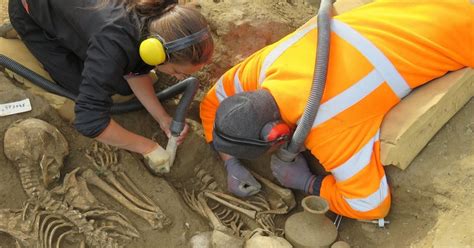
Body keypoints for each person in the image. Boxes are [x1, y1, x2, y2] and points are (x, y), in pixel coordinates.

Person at [200, 1, 473, 219]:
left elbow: (371, 206)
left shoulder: (330, 128)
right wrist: (230, 162)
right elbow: (213, 101)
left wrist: (309, 184)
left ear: (278, 135)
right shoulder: (268, 63)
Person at [8, 0, 214, 172]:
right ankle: (21, 31)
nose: (178, 78)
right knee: (80, 87)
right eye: (178, 71)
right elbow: (89, 121)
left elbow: (136, 68)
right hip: (32, 9)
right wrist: (147, 147)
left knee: (120, 83)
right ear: (156, 51)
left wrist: (162, 118)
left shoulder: (165, 18)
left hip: (89, 20)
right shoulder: (113, 41)